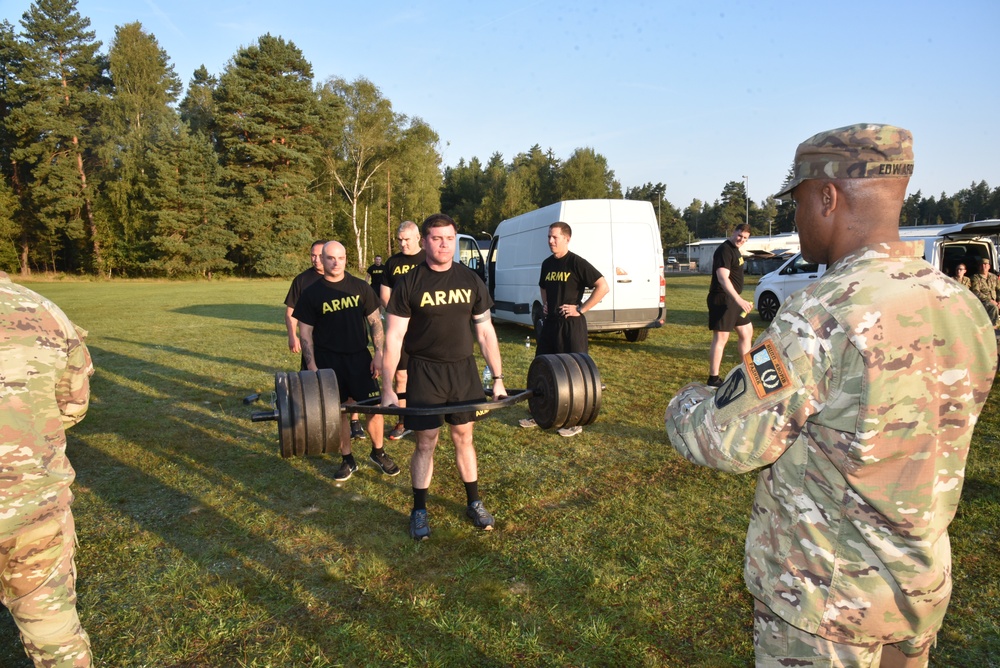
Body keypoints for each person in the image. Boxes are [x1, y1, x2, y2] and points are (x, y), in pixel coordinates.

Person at [664, 124, 997, 667]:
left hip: (828, 608)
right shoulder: (962, 306)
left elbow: (722, 438)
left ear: (827, 197)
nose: (795, 220)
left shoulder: (823, 313)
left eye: (796, 203)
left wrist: (684, 402)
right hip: (915, 592)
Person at [381, 213, 506, 540]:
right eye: (436, 238)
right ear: (424, 242)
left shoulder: (470, 280)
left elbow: (485, 332)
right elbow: (393, 338)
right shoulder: (410, 283)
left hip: (462, 370)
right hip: (425, 371)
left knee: (465, 436)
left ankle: (474, 502)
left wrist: (499, 378)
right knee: (426, 441)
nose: (444, 244)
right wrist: (387, 388)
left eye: (450, 238)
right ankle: (419, 509)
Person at [1, 271, 94, 667]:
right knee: (54, 637)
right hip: (31, 508)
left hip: (32, 507)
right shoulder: (44, 311)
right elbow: (73, 407)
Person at [293, 241, 400, 481]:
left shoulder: (360, 287)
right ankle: (347, 459)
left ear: (345, 258)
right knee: (339, 410)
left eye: (340, 257)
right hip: (328, 361)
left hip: (359, 358)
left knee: (373, 407)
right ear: (321, 258)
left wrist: (379, 354)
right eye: (330, 257)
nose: (335, 262)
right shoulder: (311, 293)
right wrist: (312, 366)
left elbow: (375, 323)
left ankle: (378, 452)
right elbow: (306, 333)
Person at [518, 221, 609, 436]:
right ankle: (539, 412)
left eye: (555, 237)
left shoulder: (576, 263)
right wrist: (546, 302)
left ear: (567, 239)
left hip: (571, 326)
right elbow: (542, 285)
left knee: (576, 373)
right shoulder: (547, 264)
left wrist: (581, 308)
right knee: (543, 368)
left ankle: (574, 420)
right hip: (551, 325)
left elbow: (602, 286)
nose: (550, 241)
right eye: (549, 237)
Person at [284, 240, 365, 439]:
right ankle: (318, 423)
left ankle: (355, 422)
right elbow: (292, 313)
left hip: (349, 348)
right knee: (318, 387)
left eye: (321, 255)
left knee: (353, 391)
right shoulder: (303, 281)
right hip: (320, 346)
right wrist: (292, 335)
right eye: (313, 255)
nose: (316, 259)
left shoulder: (350, 282)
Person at [380, 221, 426, 441]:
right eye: (399, 239)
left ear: (418, 238)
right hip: (400, 327)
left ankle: (427, 419)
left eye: (407, 239)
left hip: (425, 328)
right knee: (401, 375)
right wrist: (399, 318)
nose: (403, 243)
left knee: (426, 374)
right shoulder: (392, 263)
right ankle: (404, 420)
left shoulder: (428, 259)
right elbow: (384, 294)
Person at [706, 223, 754, 387]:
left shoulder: (736, 250)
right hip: (723, 299)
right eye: (739, 235)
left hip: (734, 301)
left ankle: (747, 371)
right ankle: (713, 379)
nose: (741, 239)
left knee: (747, 331)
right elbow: (722, 277)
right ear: (734, 232)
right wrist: (739, 300)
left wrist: (739, 300)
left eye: (745, 238)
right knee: (721, 338)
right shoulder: (724, 250)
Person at [969, 256, 999, 326]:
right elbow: (976, 292)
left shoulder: (994, 277)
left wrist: (999, 301)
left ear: (989, 266)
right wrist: (990, 300)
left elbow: (998, 290)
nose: (983, 266)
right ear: (978, 267)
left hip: (995, 301)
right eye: (981, 265)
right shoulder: (975, 278)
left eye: (985, 264)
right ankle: (993, 329)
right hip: (982, 302)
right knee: (993, 307)